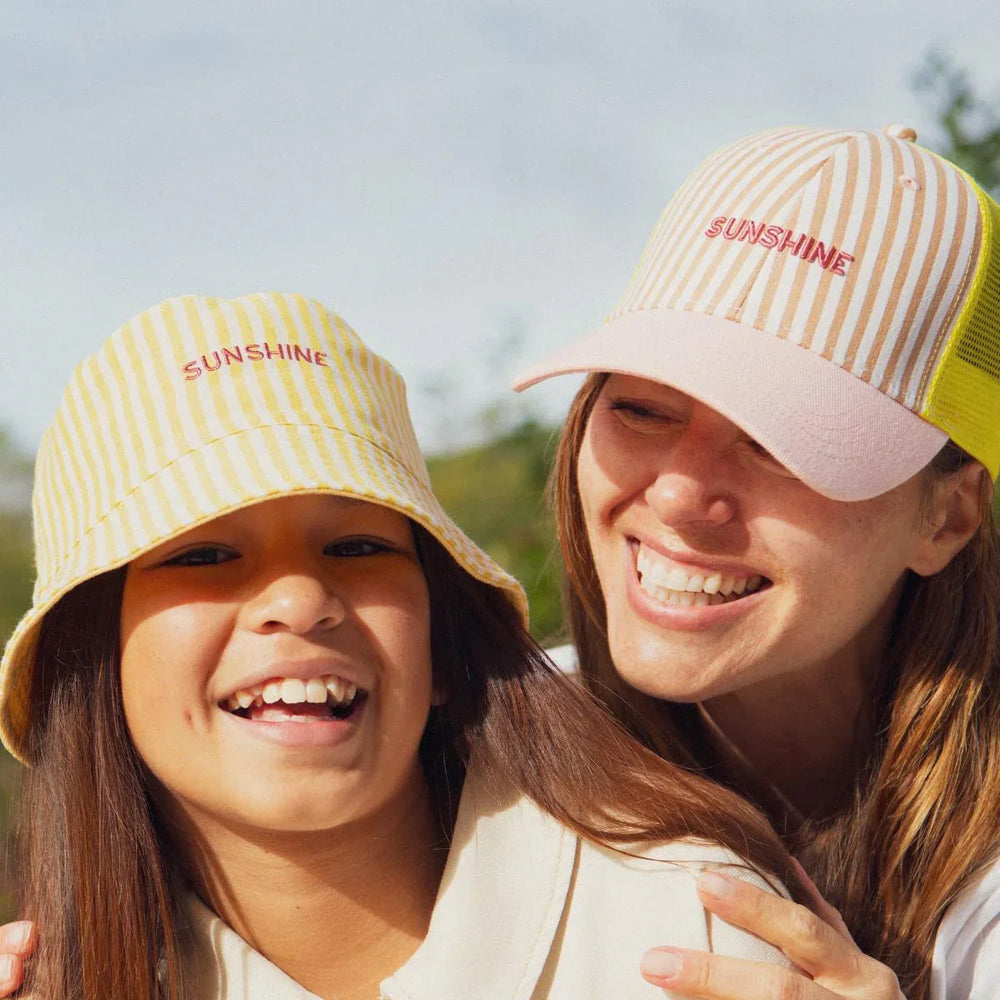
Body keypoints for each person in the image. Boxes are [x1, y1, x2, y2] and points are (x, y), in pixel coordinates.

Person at [0, 291, 800, 999]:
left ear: (442, 645)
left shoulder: (691, 940)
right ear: (91, 664)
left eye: (356, 547)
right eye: (204, 556)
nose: (300, 600)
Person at [512, 123, 1000, 1000]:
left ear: (948, 516)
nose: (676, 497)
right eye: (643, 410)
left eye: (781, 442)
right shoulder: (477, 756)